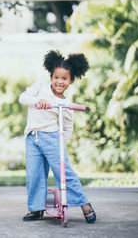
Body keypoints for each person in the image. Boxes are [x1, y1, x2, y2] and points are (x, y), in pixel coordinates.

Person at [18, 50, 96, 223]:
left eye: (64, 78)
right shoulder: (40, 88)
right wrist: (37, 102)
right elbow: (23, 97)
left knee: (64, 172)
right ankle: (36, 209)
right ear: (51, 77)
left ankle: (84, 204)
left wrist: (62, 143)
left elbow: (67, 127)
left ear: (71, 80)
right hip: (32, 137)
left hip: (52, 138)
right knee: (34, 174)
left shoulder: (66, 104)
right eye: (56, 77)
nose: (59, 81)